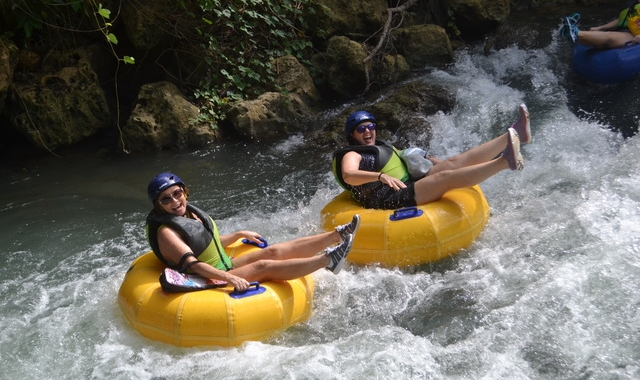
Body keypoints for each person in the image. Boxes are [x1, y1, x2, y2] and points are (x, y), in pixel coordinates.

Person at [145, 172, 360, 291]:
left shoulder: (188, 214)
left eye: (177, 193)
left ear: (184, 192)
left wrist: (238, 234)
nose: (175, 201)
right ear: (158, 205)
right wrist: (228, 279)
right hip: (207, 278)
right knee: (263, 265)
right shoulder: (166, 233)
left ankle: (337, 235)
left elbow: (207, 242)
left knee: (272, 252)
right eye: (166, 199)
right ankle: (328, 261)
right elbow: (193, 264)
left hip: (223, 265)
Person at [332, 105, 531, 210]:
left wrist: (435, 161)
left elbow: (405, 157)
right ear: (353, 135)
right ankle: (505, 162)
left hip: (408, 183)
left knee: (452, 163)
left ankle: (513, 135)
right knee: (444, 178)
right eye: (361, 129)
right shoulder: (352, 153)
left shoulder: (381, 145)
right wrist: (381, 177)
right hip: (391, 198)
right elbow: (349, 174)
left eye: (371, 127)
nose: (368, 131)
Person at [559, 0, 640, 48]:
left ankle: (575, 32)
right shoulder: (632, 5)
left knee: (609, 37)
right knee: (604, 37)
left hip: (633, 36)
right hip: (625, 31)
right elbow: (621, 20)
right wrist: (600, 27)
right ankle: (571, 33)